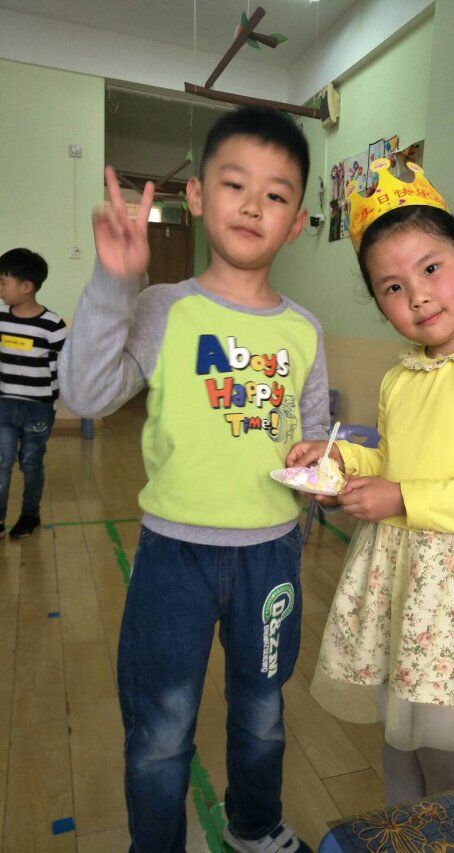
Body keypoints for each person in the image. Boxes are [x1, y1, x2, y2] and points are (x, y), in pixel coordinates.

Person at [59, 107, 329, 853]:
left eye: (276, 195)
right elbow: (85, 394)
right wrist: (114, 283)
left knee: (262, 712)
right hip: (173, 557)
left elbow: (310, 436)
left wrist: (324, 467)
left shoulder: (303, 329)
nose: (254, 205)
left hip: (271, 555)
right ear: (200, 197)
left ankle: (253, 827)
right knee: (160, 726)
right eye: (235, 184)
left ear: (296, 223)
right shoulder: (164, 307)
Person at [287, 157, 454, 806]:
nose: (417, 296)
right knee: (399, 730)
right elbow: (394, 460)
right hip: (401, 574)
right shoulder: (400, 378)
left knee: (444, 743)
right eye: (392, 287)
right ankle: (405, 833)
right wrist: (341, 463)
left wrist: (402, 498)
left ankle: (449, 836)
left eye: (430, 268)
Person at [0, 248, 67, 538]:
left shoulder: (52, 325)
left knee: (30, 463)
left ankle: (30, 516)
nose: (0, 289)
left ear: (26, 287)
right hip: (4, 404)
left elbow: (68, 366)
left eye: (3, 282)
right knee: (1, 462)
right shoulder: (1, 319)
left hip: (38, 408)